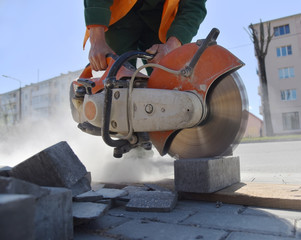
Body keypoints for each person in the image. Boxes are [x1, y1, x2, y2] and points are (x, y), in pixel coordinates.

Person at [83, 0, 207, 71]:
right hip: (120, 16)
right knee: (117, 74)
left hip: (159, 21)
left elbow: (193, 7)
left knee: (166, 75)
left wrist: (172, 44)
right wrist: (97, 40)